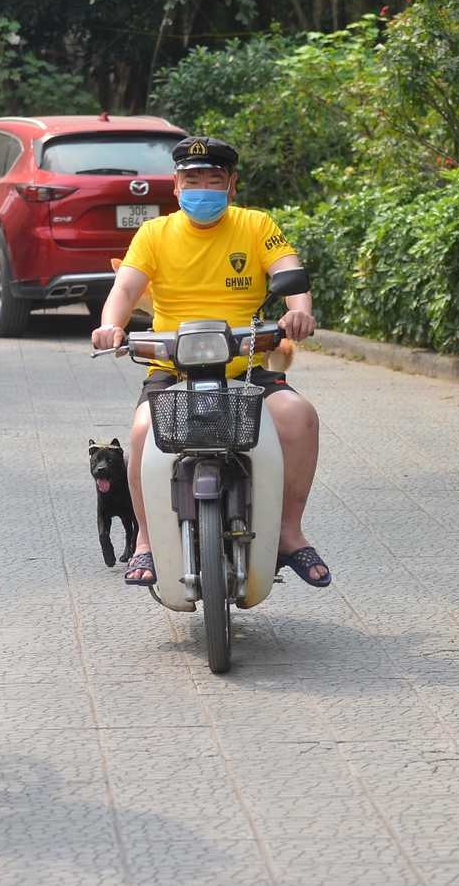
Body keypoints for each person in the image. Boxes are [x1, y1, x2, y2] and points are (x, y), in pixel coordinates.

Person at [90, 135, 326, 590]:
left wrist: (298, 310)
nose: (202, 188)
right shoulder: (154, 233)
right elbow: (124, 289)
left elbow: (289, 270)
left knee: (300, 417)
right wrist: (110, 326)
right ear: (176, 188)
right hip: (172, 368)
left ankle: (289, 533)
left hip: (248, 362)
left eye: (213, 179)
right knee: (141, 432)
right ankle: (145, 542)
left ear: (232, 185)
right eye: (191, 179)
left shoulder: (256, 225)